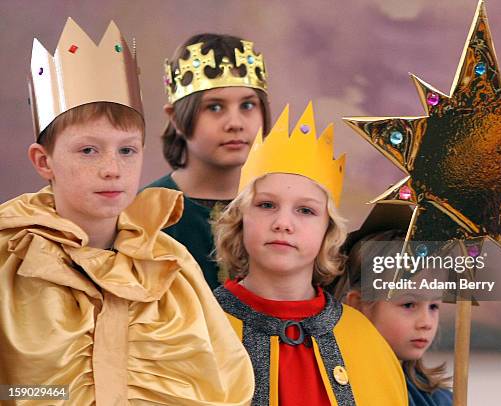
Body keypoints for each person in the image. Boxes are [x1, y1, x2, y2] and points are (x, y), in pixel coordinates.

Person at [0, 19, 253, 405]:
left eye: (127, 150)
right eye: (88, 150)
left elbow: (224, 383)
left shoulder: (170, 265)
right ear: (43, 161)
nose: (112, 169)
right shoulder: (9, 259)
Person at [212, 103, 408, 405]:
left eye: (306, 210)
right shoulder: (199, 327)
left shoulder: (363, 339)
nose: (283, 224)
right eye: (266, 205)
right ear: (240, 217)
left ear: (327, 232)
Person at [145, 33, 271, 289]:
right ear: (176, 119)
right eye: (214, 107)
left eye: (247, 105)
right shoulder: (146, 213)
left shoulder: (288, 205)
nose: (235, 123)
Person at [335, 204, 453, 406]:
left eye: (434, 306)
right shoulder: (338, 387)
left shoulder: (440, 399)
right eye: (409, 304)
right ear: (358, 306)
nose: (426, 323)